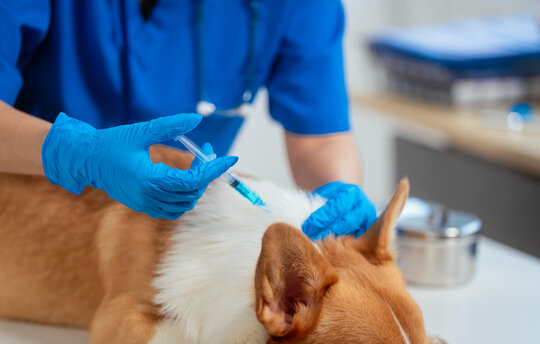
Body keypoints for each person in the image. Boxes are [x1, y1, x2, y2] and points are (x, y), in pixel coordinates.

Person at [0, 0, 376, 239]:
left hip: (179, 231)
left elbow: (321, 139)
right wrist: (75, 154)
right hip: (26, 219)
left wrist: (337, 193)